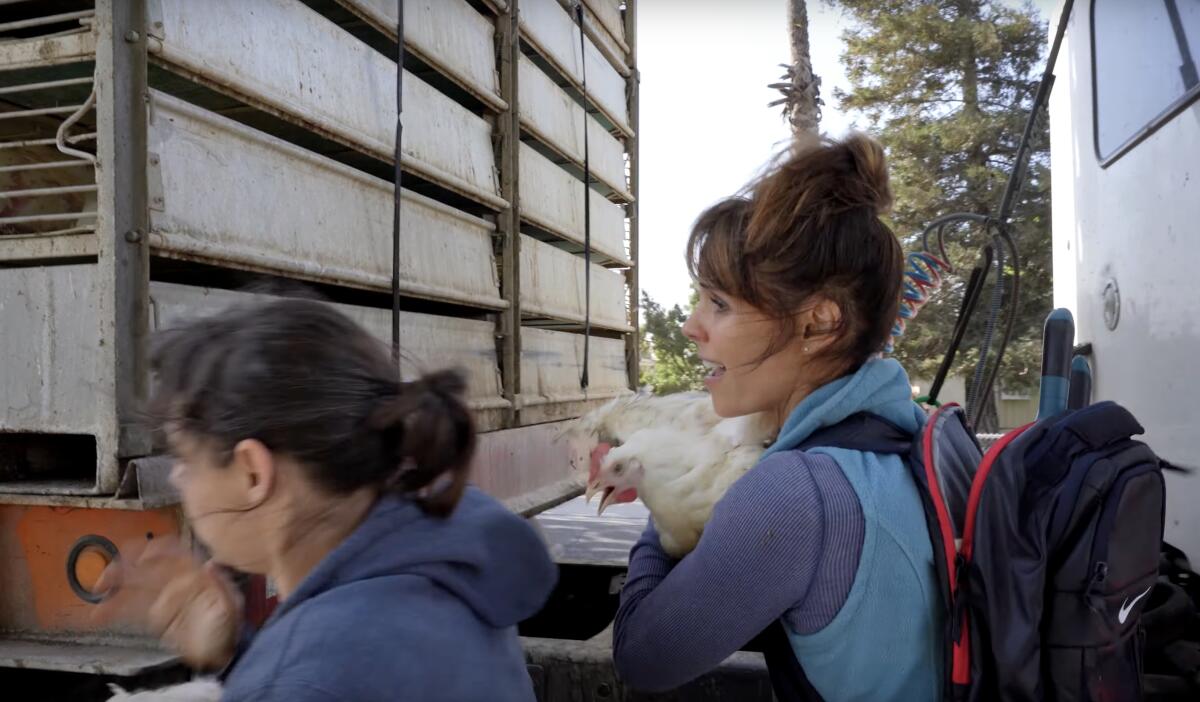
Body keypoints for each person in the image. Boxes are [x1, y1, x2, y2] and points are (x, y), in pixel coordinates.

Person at [611, 133, 942, 701]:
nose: (693, 326)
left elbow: (643, 657)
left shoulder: (796, 494)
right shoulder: (900, 436)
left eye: (720, 304)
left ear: (819, 325)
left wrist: (662, 487)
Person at [94, 297, 557, 701]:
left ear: (253, 473)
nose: (178, 478)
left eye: (186, 459)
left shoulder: (306, 678)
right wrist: (239, 653)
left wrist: (271, 671)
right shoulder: (442, 567)